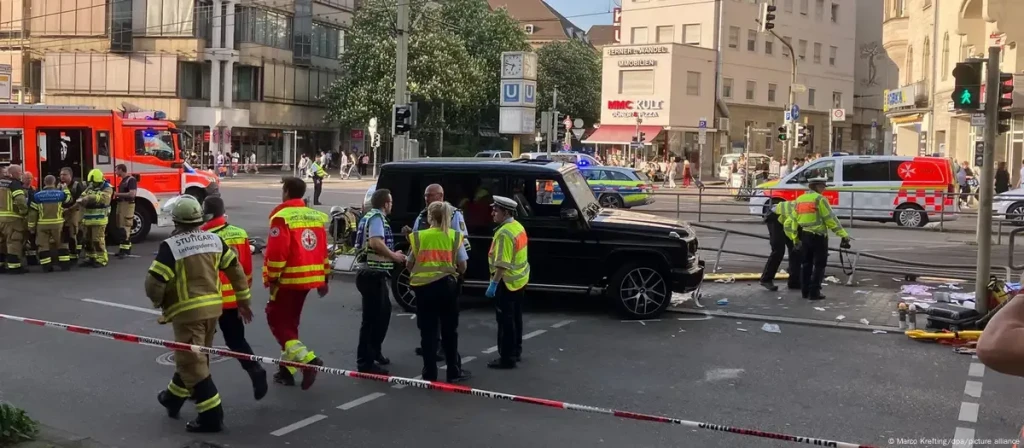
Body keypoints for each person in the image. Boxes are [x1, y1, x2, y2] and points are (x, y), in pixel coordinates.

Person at [147, 195, 251, 433]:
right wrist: (243, 301)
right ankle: (172, 398)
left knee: (192, 363)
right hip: (214, 309)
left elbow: (154, 282)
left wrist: (159, 301)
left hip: (187, 312)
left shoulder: (171, 247)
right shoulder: (215, 240)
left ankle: (211, 416)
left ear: (176, 221)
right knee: (195, 357)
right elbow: (236, 270)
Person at [263, 177, 331, 390]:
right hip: (310, 278)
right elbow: (323, 250)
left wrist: (272, 278)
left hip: (288, 279)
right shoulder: (315, 217)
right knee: (290, 323)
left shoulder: (281, 218)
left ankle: (308, 361)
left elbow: (277, 253)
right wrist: (324, 278)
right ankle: (286, 371)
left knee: (277, 321)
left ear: (286, 191)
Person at [200, 197, 269, 400]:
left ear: (206, 214)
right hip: (233, 300)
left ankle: (197, 386)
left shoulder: (201, 236)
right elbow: (246, 270)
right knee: (236, 341)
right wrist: (243, 300)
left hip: (208, 300)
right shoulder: (240, 233)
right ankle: (255, 369)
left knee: (199, 345)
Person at [402, 184, 471, 362]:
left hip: (446, 277)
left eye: (430, 196)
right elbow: (417, 242)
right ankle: (434, 348)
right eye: (425, 196)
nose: (426, 199)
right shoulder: (421, 215)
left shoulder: (454, 215)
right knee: (430, 323)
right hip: (427, 280)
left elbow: (460, 243)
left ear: (440, 196)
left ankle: (440, 352)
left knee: (445, 323)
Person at [353, 188, 407, 374]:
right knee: (372, 319)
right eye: (390, 202)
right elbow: (375, 242)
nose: (392, 205)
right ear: (386, 204)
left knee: (383, 314)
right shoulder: (377, 218)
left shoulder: (370, 217)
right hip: (371, 274)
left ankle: (374, 352)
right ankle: (365, 362)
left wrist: (392, 254)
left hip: (373, 273)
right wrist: (394, 256)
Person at [485, 195, 530, 369]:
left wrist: (493, 285)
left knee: (505, 322)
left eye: (495, 210)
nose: (492, 213)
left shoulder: (504, 233)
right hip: (519, 281)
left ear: (506, 212)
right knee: (516, 318)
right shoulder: (517, 226)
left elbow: (502, 264)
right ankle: (516, 351)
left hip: (506, 283)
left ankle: (506, 358)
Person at [793, 177, 851, 301]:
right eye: (823, 187)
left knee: (806, 264)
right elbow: (830, 219)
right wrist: (843, 234)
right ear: (818, 186)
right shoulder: (819, 199)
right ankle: (814, 292)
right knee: (819, 265)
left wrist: (795, 239)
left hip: (804, 235)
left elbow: (794, 220)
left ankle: (805, 291)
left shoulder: (800, 199)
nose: (824, 189)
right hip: (818, 237)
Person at [27, 175, 72, 272]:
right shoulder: (60, 194)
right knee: (61, 244)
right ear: (54, 182)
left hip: (42, 224)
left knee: (43, 245)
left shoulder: (37, 196)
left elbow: (33, 213)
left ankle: (46, 267)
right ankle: (65, 265)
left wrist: (31, 227)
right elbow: (69, 199)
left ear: (44, 182)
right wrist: (65, 188)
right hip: (58, 224)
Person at [759, 199, 801, 292]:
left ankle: (794, 281)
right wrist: (795, 240)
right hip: (776, 217)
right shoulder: (805, 213)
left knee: (795, 250)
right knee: (778, 250)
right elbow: (788, 225)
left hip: (784, 217)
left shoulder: (811, 213)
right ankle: (766, 279)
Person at [79, 169, 113, 268]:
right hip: (88, 218)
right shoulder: (90, 186)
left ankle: (102, 259)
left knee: (97, 240)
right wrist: (83, 199)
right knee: (87, 240)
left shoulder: (107, 188)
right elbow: (83, 195)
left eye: (95, 182)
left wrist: (90, 198)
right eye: (92, 182)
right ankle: (91, 257)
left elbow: (105, 199)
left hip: (99, 219)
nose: (93, 184)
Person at [0, 164, 29, 274]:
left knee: (1, 242)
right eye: (20, 173)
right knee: (13, 241)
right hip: (12, 219)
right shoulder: (14, 184)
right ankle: (14, 266)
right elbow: (20, 199)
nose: (21, 175)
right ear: (14, 173)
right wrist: (24, 211)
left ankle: (1, 265)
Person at [60, 168, 87, 263]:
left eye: (64, 174)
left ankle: (74, 254)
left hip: (74, 211)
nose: (62, 176)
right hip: (63, 212)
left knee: (73, 231)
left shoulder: (77, 185)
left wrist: (70, 209)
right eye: (61, 174)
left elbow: (80, 200)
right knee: (64, 232)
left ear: (70, 176)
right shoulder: (59, 185)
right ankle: (68, 252)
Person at [113, 164, 137, 258]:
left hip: (127, 205)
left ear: (121, 170)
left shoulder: (131, 180)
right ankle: (123, 249)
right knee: (121, 226)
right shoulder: (123, 180)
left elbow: (132, 194)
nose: (115, 172)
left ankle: (125, 251)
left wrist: (117, 194)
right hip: (122, 205)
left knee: (126, 227)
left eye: (116, 170)